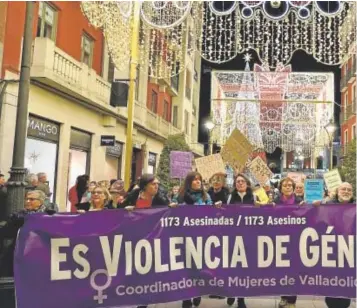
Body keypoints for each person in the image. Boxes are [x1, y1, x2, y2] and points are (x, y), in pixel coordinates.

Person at [313, 182, 354, 308]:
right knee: (332, 284)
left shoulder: (355, 206)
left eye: (349, 190)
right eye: (343, 189)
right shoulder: (328, 205)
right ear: (337, 192)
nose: (346, 192)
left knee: (346, 285)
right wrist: (315, 206)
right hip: (332, 252)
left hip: (350, 253)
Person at [0, 190, 55, 277]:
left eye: (31, 199)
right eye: (27, 199)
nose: (27, 201)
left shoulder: (49, 215)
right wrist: (14, 221)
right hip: (20, 251)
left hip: (40, 254)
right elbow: (7, 233)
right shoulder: (20, 215)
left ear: (40, 201)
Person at [226, 173, 255, 308]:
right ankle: (232, 292)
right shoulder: (231, 196)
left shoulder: (253, 196)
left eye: (242, 181)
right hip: (233, 236)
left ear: (247, 183)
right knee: (233, 267)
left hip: (248, 236)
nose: (240, 183)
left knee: (244, 269)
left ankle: (241, 298)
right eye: (238, 181)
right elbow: (226, 214)